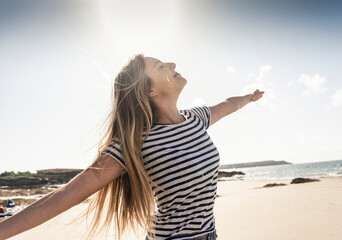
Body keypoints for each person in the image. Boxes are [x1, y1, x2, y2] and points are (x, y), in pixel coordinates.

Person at [0, 54, 264, 240]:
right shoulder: (133, 142)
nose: (172, 63)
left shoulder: (196, 118)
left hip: (210, 234)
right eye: (161, 66)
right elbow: (67, 194)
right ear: (150, 92)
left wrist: (250, 98)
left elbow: (230, 103)